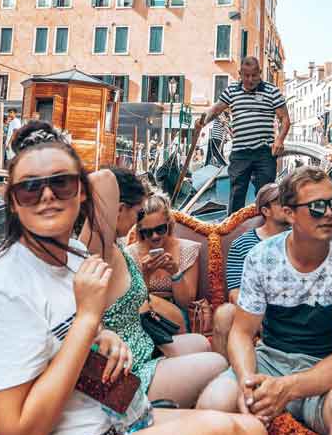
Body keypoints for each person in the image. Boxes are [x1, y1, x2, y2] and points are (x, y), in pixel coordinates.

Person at [0, 120, 294, 435]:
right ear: (13, 202)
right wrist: (88, 322)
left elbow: (67, 349)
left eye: (61, 182)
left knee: (252, 432)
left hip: (96, 429)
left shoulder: (74, 259)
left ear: (80, 192)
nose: (46, 195)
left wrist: (102, 337)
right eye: (30, 188)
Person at [197, 165, 332, 435]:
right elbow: (241, 332)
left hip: (327, 374)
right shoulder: (262, 257)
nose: (329, 214)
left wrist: (288, 388)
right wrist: (248, 381)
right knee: (212, 401)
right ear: (289, 213)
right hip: (269, 363)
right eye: (317, 207)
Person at [79, 166, 226, 406]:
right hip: (129, 373)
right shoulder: (97, 248)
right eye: (138, 216)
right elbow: (102, 179)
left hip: (144, 346)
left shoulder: (113, 248)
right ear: (118, 209)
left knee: (201, 343)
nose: (140, 227)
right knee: (218, 364)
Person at [195, 56, 290, 215]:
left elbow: (285, 119)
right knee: (237, 194)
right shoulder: (231, 90)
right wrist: (203, 121)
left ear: (260, 73)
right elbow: (216, 110)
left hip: (264, 152)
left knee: (266, 195)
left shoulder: (272, 91)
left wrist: (279, 140)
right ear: (240, 74)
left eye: (254, 75)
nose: (250, 79)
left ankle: (265, 229)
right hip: (240, 152)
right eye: (246, 76)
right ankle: (233, 232)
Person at [211, 182, 292, 359]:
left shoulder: (301, 240)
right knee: (225, 313)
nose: (288, 206)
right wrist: (262, 318)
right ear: (266, 211)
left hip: (294, 307)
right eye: (280, 202)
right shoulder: (242, 244)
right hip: (256, 310)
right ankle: (226, 373)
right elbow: (235, 293)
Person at [126, 193, 202, 327]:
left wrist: (175, 273)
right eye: (148, 232)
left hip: (177, 318)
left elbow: (185, 303)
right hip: (143, 317)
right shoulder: (130, 254)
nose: (155, 236)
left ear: (169, 224)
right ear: (140, 231)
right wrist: (146, 275)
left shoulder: (187, 249)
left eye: (160, 229)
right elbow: (133, 303)